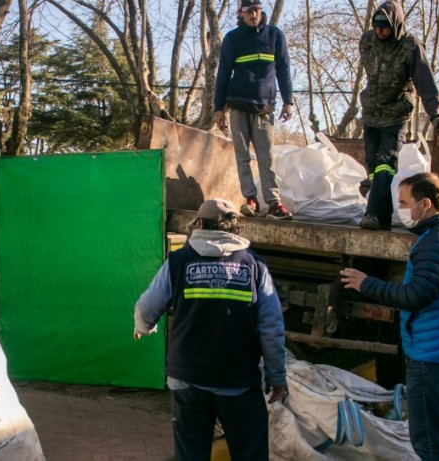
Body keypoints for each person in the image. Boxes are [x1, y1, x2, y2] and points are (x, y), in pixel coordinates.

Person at [133, 198, 287, 460]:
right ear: (235, 229)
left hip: (186, 380)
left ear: (201, 224)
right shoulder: (254, 266)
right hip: (238, 382)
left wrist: (143, 327)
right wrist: (276, 377)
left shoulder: (178, 261)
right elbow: (271, 328)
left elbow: (147, 308)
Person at [340, 172, 439, 460]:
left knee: (429, 442)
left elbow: (415, 296)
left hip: (432, 358)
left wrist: (366, 283)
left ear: (425, 204)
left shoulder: (436, 241)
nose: (400, 208)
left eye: (403, 202)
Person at [358, 0, 439, 231]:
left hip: (395, 116)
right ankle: (383, 218)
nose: (380, 32)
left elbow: (425, 83)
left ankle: (373, 214)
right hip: (371, 114)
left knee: (385, 164)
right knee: (373, 167)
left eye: (385, 28)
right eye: (377, 27)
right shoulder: (367, 40)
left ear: (396, 25)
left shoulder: (411, 46)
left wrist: (436, 115)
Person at [214, 0, 294, 220]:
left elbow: (284, 69)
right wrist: (218, 107)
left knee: (266, 156)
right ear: (241, 13)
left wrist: (288, 101)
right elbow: (223, 74)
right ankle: (250, 199)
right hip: (238, 105)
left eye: (256, 10)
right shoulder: (232, 39)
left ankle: (274, 203)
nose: (253, 15)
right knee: (242, 156)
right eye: (249, 11)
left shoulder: (275, 36)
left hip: (265, 107)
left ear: (261, 10)